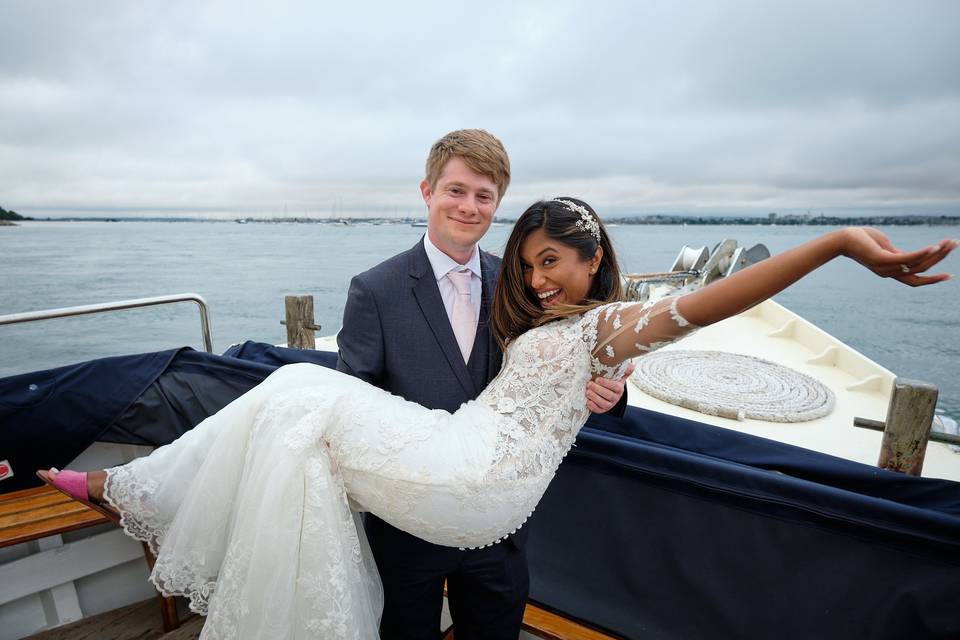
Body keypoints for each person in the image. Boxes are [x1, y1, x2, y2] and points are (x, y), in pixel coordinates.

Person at [38, 198, 955, 639]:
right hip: (466, 473)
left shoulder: (606, 326)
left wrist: (837, 245)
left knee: (293, 392)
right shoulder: (547, 325)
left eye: (555, 260)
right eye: (527, 265)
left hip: (473, 484)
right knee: (295, 405)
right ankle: (135, 488)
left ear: (597, 263)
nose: (537, 277)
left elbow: (715, 301)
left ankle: (129, 487)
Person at [334, 128, 629, 640]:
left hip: (499, 530)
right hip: (408, 529)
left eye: (484, 195)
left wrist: (615, 392)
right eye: (456, 190)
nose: (469, 206)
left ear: (497, 203)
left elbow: (577, 349)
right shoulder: (374, 290)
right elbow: (351, 401)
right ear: (428, 192)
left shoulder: (526, 282)